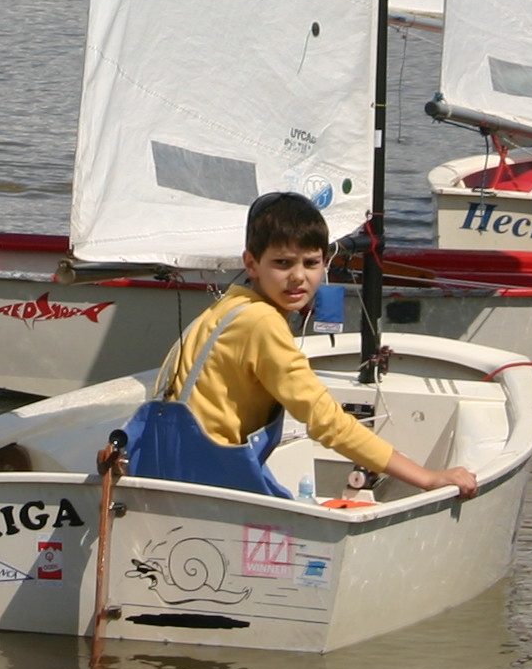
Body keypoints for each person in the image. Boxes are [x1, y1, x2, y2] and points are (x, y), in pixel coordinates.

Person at [123, 193, 479, 502]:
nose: (298, 277)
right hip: (211, 481)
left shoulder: (228, 306)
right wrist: (427, 477)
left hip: (168, 471)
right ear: (252, 264)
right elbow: (328, 423)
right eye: (282, 263)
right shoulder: (262, 324)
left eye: (311, 263)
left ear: (325, 263)